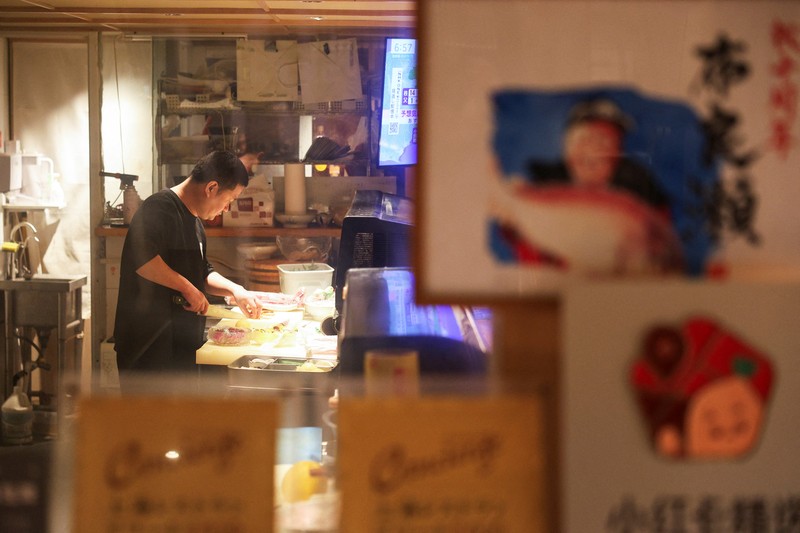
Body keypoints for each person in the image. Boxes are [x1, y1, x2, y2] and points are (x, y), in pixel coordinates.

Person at [114, 150, 262, 385]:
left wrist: (236, 291)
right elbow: (142, 259)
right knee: (149, 421)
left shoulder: (194, 221)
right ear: (211, 188)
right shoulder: (159, 208)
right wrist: (187, 288)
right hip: (148, 347)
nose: (226, 209)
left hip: (179, 345)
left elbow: (201, 270)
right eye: (229, 200)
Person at [527, 98, 670, 210]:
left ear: (619, 150)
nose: (593, 151)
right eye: (584, 139)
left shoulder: (645, 193)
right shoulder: (539, 190)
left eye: (605, 141)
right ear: (566, 147)